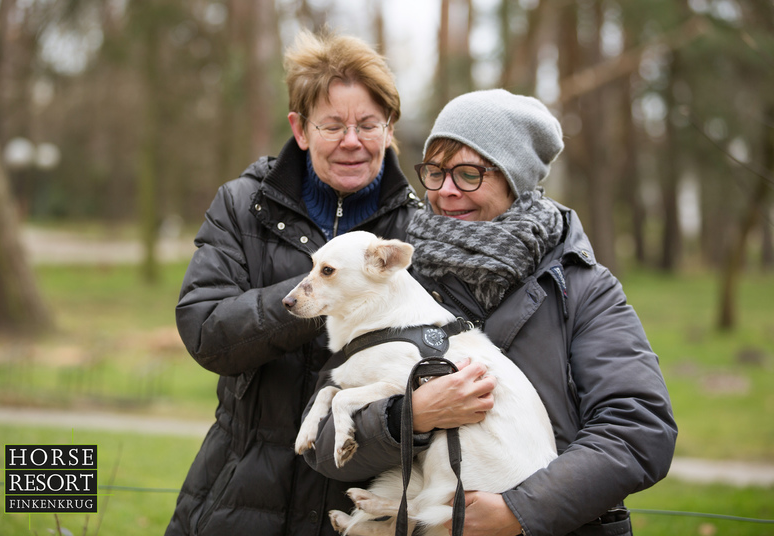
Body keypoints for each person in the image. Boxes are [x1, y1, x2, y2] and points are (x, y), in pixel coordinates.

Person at [303, 89, 677, 536]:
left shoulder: (581, 288)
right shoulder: (391, 278)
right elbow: (322, 446)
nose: (446, 190)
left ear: (515, 180)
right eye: (435, 172)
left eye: (468, 174)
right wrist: (409, 416)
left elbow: (639, 429)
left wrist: (519, 512)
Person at [165, 29, 421, 536]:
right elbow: (206, 330)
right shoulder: (243, 206)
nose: (352, 141)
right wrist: (318, 297)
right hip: (239, 490)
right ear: (300, 130)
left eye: (369, 124)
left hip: (358, 499)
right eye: (333, 125)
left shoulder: (417, 230)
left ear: (389, 128)